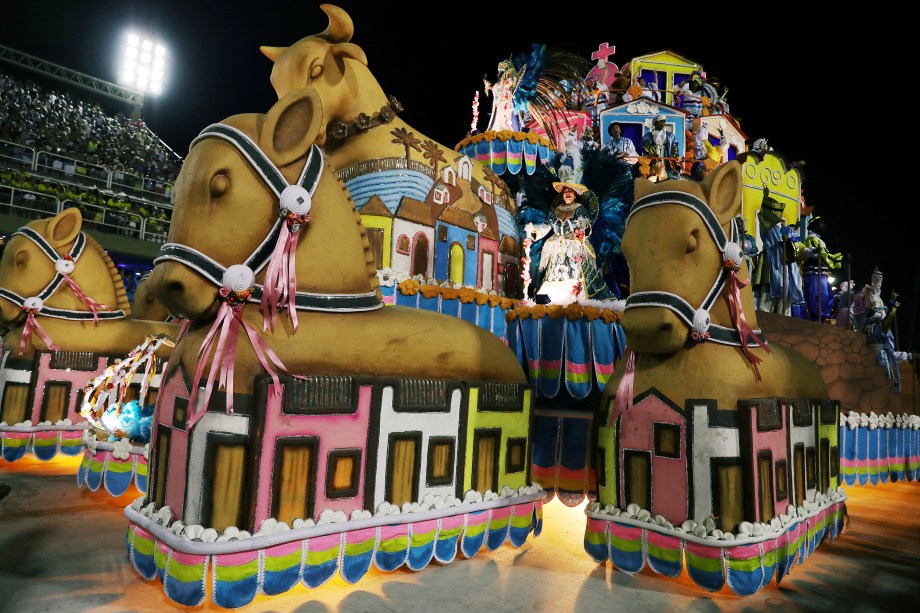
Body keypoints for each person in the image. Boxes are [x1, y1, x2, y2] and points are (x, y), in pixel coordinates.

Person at [524, 180, 615, 305]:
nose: (567, 193)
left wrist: (582, 229)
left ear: (575, 194)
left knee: (575, 273)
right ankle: (548, 301)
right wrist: (534, 232)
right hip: (556, 246)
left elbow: (584, 224)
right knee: (553, 275)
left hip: (573, 246)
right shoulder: (556, 210)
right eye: (565, 191)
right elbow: (547, 225)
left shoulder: (579, 209)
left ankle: (575, 300)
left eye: (570, 191)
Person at [799, 216, 842, 322]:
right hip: (814, 271)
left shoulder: (818, 240)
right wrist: (837, 260)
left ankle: (821, 318)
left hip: (820, 271)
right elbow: (823, 255)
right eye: (821, 223)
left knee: (825, 295)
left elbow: (824, 255)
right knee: (817, 296)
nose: (824, 225)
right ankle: (817, 318)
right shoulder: (812, 239)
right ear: (814, 225)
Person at [483, 59, 525, 132]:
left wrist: (508, 81)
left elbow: (511, 82)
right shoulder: (499, 83)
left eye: (499, 71)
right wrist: (487, 84)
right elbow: (496, 89)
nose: (498, 73)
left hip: (508, 102)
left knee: (509, 119)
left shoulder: (509, 74)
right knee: (498, 121)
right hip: (500, 104)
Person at [642, 114, 680, 179]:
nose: (662, 124)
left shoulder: (670, 135)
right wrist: (649, 154)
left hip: (665, 155)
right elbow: (644, 147)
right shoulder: (648, 136)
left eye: (663, 122)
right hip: (654, 157)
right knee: (652, 174)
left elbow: (675, 146)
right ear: (655, 123)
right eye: (660, 122)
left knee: (667, 172)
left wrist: (676, 155)